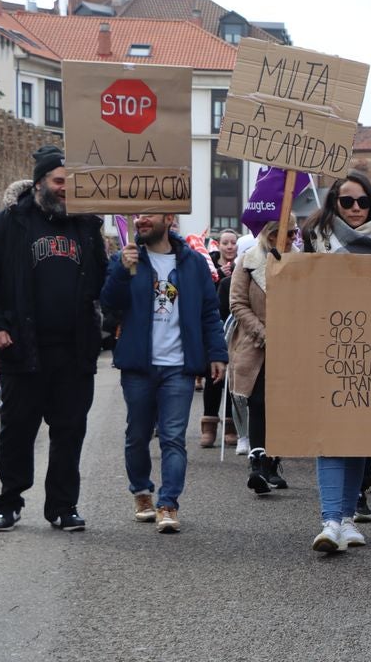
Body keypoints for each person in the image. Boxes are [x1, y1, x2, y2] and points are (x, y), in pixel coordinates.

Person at [0, 147, 107, 532]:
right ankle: (9, 501)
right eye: (59, 181)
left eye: (71, 182)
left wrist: (124, 265)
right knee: (17, 429)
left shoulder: (85, 227)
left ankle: (63, 507)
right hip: (22, 347)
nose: (66, 189)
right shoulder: (9, 223)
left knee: (69, 431)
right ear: (39, 184)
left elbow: (100, 280)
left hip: (73, 350)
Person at [101, 212, 227, 533]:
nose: (141, 219)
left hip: (179, 368)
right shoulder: (127, 259)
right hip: (139, 366)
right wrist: (120, 269)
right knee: (138, 434)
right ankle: (142, 492)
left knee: (173, 438)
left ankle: (168, 502)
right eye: (137, 215)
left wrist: (216, 354)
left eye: (148, 214)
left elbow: (209, 313)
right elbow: (109, 303)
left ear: (169, 218)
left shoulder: (194, 264)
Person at [302, 173, 371, 551]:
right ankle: (330, 521)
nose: (357, 208)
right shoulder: (315, 240)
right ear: (334, 204)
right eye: (347, 202)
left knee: (359, 438)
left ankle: (346, 520)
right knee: (331, 438)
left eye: (363, 201)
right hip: (327, 350)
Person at [230, 221, 293, 496]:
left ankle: (272, 462)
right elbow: (237, 302)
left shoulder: (298, 262)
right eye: (281, 233)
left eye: (293, 233)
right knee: (257, 401)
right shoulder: (247, 262)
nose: (288, 238)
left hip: (290, 343)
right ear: (267, 234)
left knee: (281, 404)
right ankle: (257, 462)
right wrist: (262, 331)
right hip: (255, 342)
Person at [200, 228, 241, 448]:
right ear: (219, 245)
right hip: (217, 326)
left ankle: (231, 424)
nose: (229, 246)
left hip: (237, 331)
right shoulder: (210, 267)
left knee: (233, 380)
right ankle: (209, 425)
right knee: (214, 377)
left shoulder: (244, 267)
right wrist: (219, 276)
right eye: (225, 243)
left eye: (233, 242)